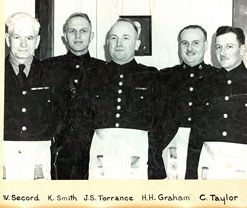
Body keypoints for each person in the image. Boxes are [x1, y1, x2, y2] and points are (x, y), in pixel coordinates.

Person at [65, 18, 177, 179]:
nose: (119, 43)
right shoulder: (92, 75)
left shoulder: (152, 76)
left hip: (143, 160)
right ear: (107, 44)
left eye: (126, 38)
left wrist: (149, 145)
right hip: (100, 158)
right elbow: (79, 119)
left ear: (137, 44)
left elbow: (169, 119)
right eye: (113, 38)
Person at [43, 12, 105, 179]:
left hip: (94, 154)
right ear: (65, 36)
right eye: (72, 31)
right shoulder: (48, 67)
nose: (78, 36)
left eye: (83, 31)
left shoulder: (104, 70)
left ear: (91, 36)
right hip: (56, 155)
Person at [185, 26, 247, 179]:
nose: (222, 52)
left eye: (229, 46)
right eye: (218, 47)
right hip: (210, 166)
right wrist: (191, 175)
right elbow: (196, 133)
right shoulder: (204, 84)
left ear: (243, 49)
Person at [160, 25, 217, 179]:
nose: (189, 48)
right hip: (172, 144)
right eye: (184, 43)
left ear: (205, 46)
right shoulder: (165, 77)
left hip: (205, 146)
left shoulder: (217, 77)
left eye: (196, 43)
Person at [4, 12, 54, 180]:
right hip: (3, 156)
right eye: (17, 37)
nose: (24, 44)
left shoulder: (51, 75)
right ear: (7, 39)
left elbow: (60, 117)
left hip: (38, 157)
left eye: (29, 38)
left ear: (37, 41)